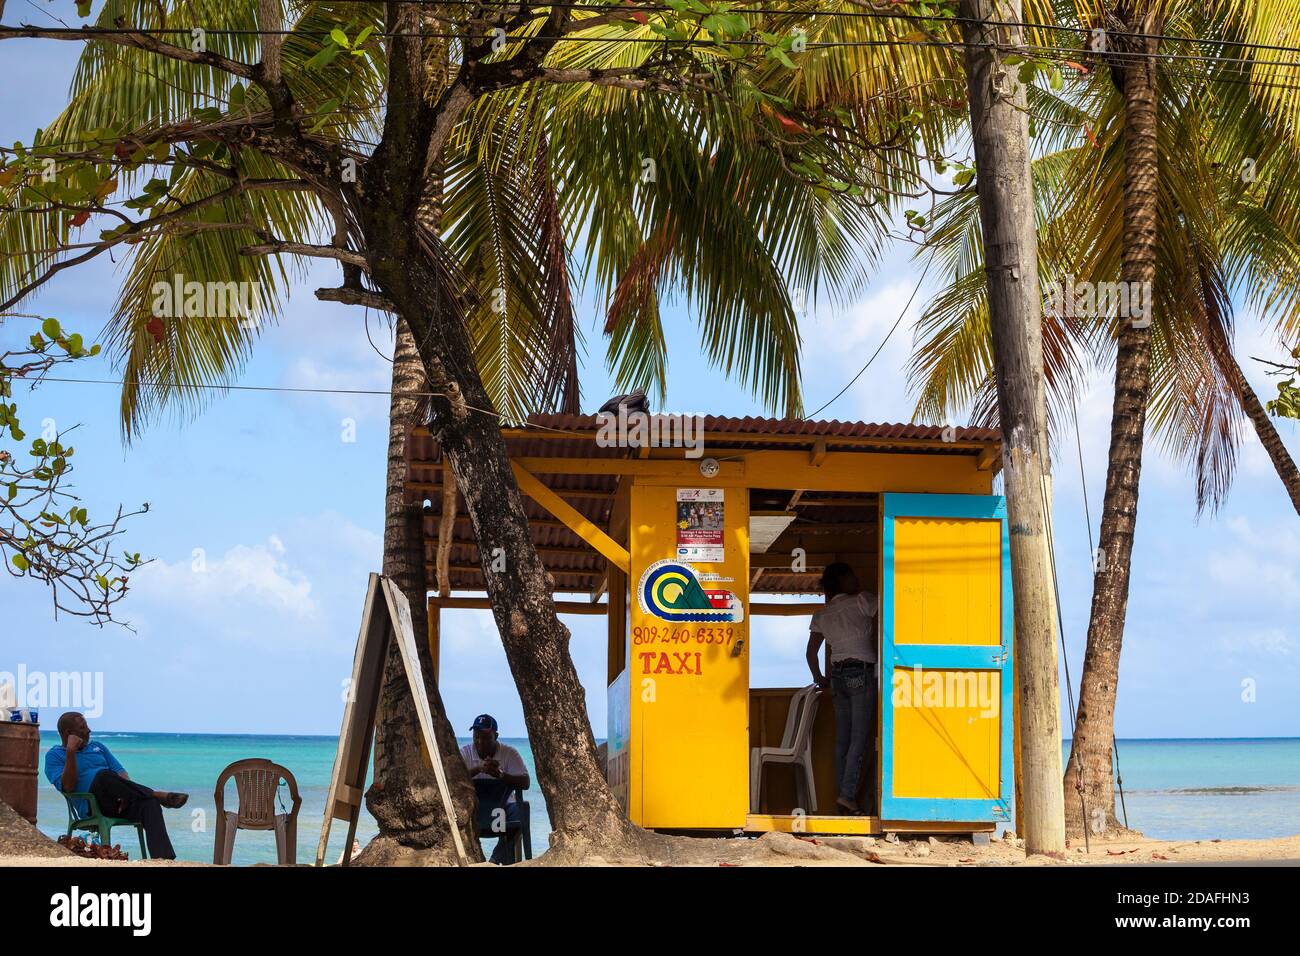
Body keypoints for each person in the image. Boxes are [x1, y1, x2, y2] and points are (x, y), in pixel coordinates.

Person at [44, 712, 189, 859]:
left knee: (150, 804)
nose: (89, 730)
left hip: (119, 802)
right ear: (69, 733)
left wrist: (125, 794)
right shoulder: (54, 756)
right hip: (92, 807)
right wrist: (70, 752)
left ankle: (164, 860)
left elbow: (121, 773)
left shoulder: (98, 747)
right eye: (83, 727)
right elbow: (68, 786)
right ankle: (157, 794)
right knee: (103, 775)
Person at [805, 562, 878, 816]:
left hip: (837, 676)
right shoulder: (861, 600)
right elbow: (891, 605)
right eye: (852, 576)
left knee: (843, 740)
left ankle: (843, 795)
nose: (857, 580)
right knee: (860, 738)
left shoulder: (822, 615)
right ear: (841, 581)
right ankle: (848, 796)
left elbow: (811, 653)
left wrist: (820, 677)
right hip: (862, 672)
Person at [459, 714, 530, 864]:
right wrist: (478, 769)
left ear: (496, 736)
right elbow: (453, 781)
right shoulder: (465, 753)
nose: (480, 742)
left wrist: (501, 775)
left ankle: (493, 860)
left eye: (486, 738)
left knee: (521, 810)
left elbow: (526, 782)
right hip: (474, 813)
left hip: (501, 813)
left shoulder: (509, 753)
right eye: (476, 737)